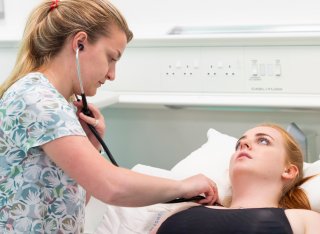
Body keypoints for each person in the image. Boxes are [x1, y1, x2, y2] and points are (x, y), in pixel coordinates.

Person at [0, 0, 218, 233]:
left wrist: (92, 144)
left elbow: (72, 205)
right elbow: (111, 187)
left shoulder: (52, 102)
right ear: (79, 43)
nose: (112, 74)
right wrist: (183, 186)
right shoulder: (39, 100)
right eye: (112, 58)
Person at [151, 124, 320, 234]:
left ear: (289, 171)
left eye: (263, 141)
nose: (244, 145)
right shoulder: (184, 210)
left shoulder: (305, 219)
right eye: (239, 144)